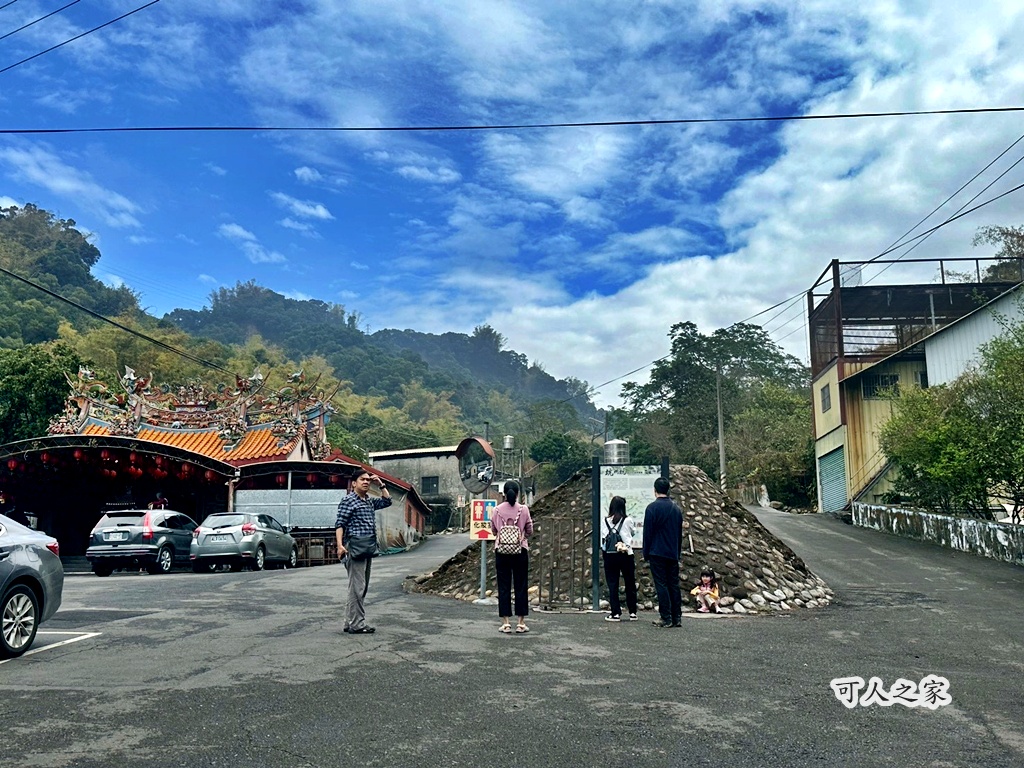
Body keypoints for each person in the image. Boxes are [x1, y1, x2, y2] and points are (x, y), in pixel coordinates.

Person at [335, 471, 391, 635]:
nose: (366, 482)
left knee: (359, 587)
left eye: (368, 480)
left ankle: (349, 622)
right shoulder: (348, 500)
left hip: (368, 547)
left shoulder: (369, 501)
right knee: (358, 587)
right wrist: (339, 545)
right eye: (362, 480)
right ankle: (357, 624)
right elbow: (339, 524)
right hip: (354, 547)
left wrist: (381, 484)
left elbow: (387, 501)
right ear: (354, 483)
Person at [490, 479, 533, 634]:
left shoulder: (497, 510)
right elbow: (529, 529)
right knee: (521, 585)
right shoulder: (524, 509)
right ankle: (521, 623)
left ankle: (506, 623)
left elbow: (494, 531)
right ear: (518, 493)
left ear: (504, 493)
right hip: (520, 551)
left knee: (504, 586)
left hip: (502, 552)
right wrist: (522, 535)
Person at [642, 476, 684, 628]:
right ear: (668, 490)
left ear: (655, 490)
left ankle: (665, 617)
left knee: (661, 585)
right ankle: (677, 617)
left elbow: (647, 533)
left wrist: (646, 552)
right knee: (674, 584)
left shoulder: (651, 508)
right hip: (672, 552)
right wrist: (677, 552)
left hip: (657, 551)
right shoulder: (676, 509)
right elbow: (679, 533)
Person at [601, 495, 639, 622]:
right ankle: (632, 612)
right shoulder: (628, 520)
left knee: (613, 583)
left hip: (610, 554)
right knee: (630, 582)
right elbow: (632, 533)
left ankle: (615, 613)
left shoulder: (605, 520)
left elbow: (603, 538)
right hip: (625, 554)